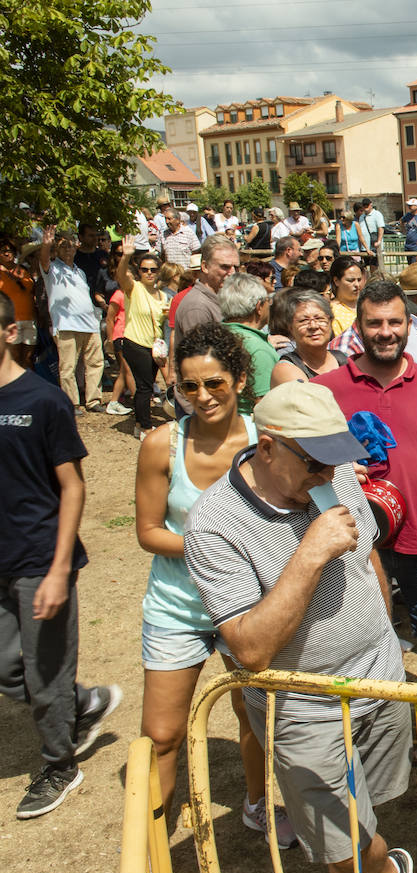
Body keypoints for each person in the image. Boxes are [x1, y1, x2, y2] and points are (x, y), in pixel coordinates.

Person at [183, 383, 413, 873]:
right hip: (304, 705)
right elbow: (251, 649)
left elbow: (367, 559)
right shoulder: (215, 525)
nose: (328, 477)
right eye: (314, 463)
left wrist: (387, 637)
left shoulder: (328, 476)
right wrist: (308, 554)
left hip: (379, 680)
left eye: (335, 461)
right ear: (267, 448)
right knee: (343, 847)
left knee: (365, 819)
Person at [133, 322, 287, 841]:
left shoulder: (265, 438)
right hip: (178, 606)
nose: (203, 396)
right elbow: (150, 532)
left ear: (240, 379)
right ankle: (148, 850)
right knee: (160, 736)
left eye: (215, 383)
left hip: (247, 607)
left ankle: (258, 803)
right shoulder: (161, 444)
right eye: (189, 386)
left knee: (255, 717)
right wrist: (218, 548)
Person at [0, 292, 121, 819]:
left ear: (9, 333)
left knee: (44, 674)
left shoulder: (42, 399)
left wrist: (57, 569)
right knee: (9, 669)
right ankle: (82, 704)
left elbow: (71, 486)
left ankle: (59, 763)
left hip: (37, 558)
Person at [314, 279, 417, 659]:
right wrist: (333, 466)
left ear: (408, 326)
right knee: (357, 632)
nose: (386, 333)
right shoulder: (324, 389)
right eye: (375, 324)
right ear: (357, 328)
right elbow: (301, 464)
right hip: (351, 540)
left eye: (394, 323)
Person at [38, 227, 104, 411]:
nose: (68, 249)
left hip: (90, 325)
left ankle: (93, 400)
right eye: (63, 246)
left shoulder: (80, 272)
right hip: (66, 324)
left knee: (95, 363)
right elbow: (43, 259)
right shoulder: (51, 269)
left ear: (76, 248)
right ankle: (72, 402)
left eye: (71, 245)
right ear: (56, 250)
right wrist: (46, 244)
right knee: (67, 367)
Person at [112, 240, 168, 436]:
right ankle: (144, 426)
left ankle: (139, 424)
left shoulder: (162, 296)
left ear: (159, 271)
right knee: (144, 387)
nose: (149, 273)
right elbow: (121, 277)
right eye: (145, 270)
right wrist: (126, 256)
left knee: (149, 385)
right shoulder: (134, 288)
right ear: (139, 272)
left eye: (153, 269)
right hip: (135, 342)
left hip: (153, 346)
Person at [217, 273, 277, 415]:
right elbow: (265, 407)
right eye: (268, 301)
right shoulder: (257, 350)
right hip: (247, 430)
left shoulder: (214, 335)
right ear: (259, 307)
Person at [270, 290, 348, 385]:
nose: (313, 326)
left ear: (330, 322)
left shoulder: (343, 358)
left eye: (319, 318)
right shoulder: (286, 369)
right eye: (303, 320)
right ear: (290, 328)